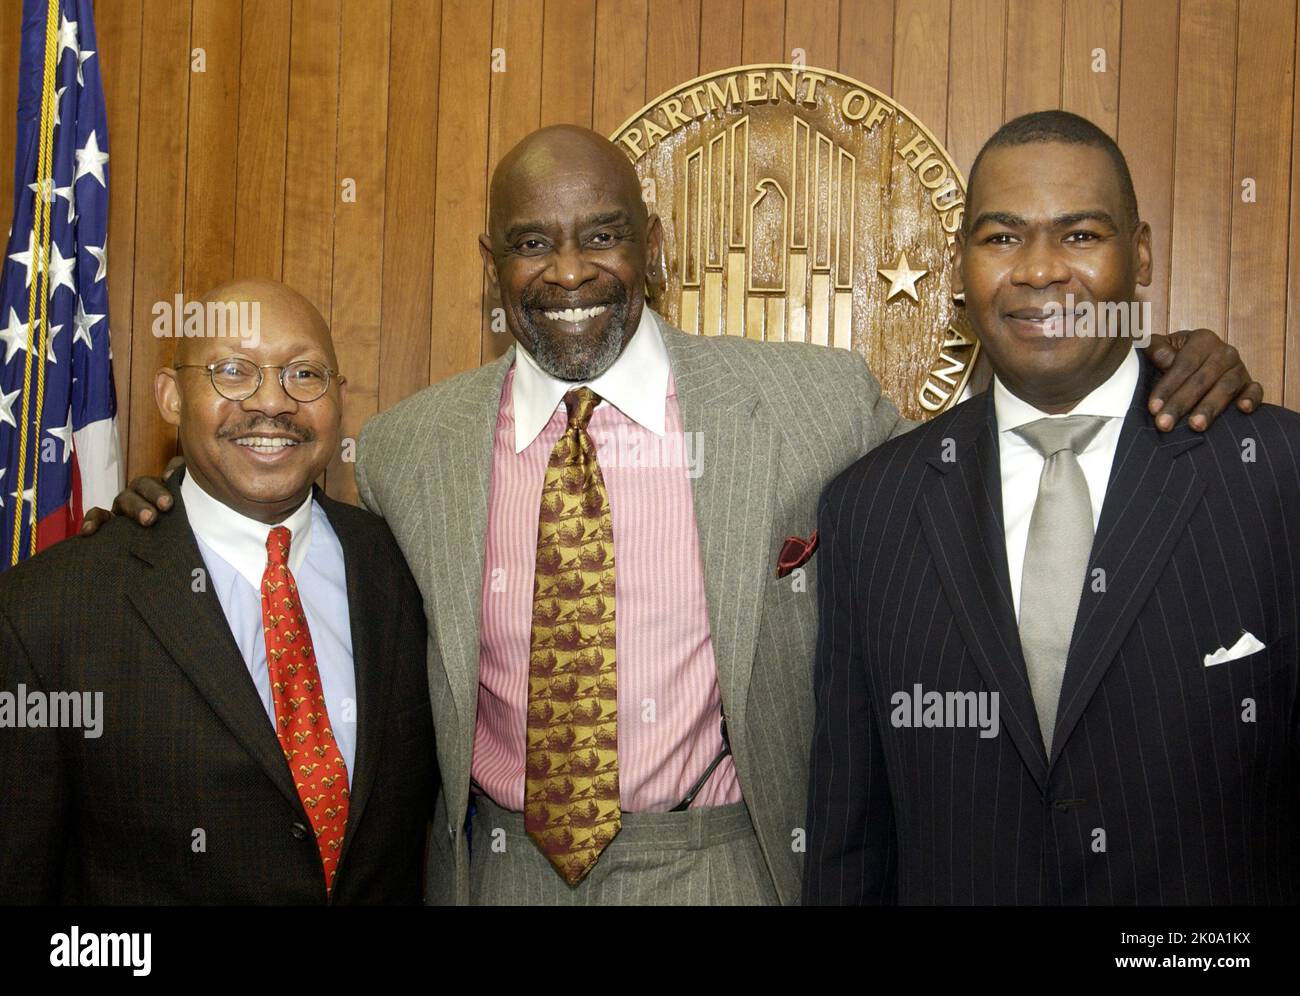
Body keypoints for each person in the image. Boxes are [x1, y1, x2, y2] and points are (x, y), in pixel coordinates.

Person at [98, 125, 1261, 905]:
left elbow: (971, 484)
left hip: (727, 865)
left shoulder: (811, 406)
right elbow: (309, 565)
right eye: (531, 243)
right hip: (495, 868)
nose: (568, 271)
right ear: (490, 264)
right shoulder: (406, 448)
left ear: (651, 248)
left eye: (600, 235)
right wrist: (174, 504)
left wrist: (1148, 362)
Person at [803, 110, 1299, 905]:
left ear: (1138, 255)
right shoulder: (871, 509)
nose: (1038, 271)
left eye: (1079, 236)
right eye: (1002, 238)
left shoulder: (1276, 475)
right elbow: (849, 836)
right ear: (960, 262)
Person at [0, 279, 438, 904]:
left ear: (339, 400)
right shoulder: (48, 612)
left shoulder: (404, 569)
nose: (273, 403)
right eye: (234, 372)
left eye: (305, 375)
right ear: (171, 397)